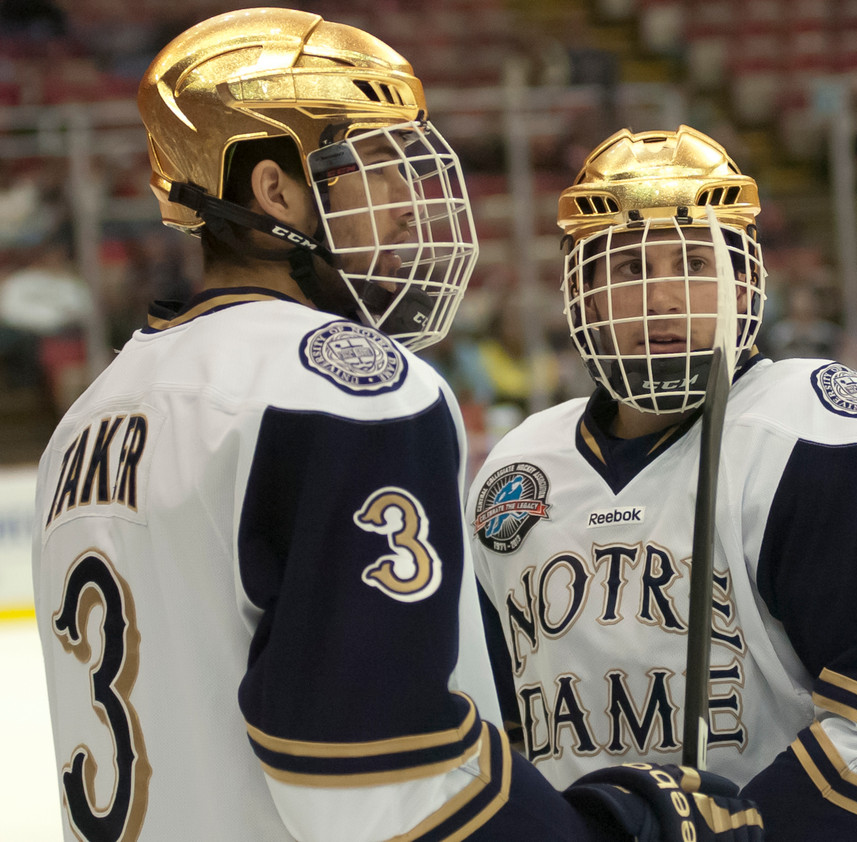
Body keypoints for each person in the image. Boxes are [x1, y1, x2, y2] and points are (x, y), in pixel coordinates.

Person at [30, 10, 762, 841]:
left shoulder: (88, 418)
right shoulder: (345, 385)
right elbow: (368, 760)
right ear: (274, 190)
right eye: (375, 168)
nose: (414, 207)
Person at [468, 125, 857, 840]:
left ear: (746, 282)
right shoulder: (516, 469)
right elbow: (493, 729)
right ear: (579, 293)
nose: (664, 298)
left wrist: (742, 831)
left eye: (694, 262)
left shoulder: (821, 433)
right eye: (627, 268)